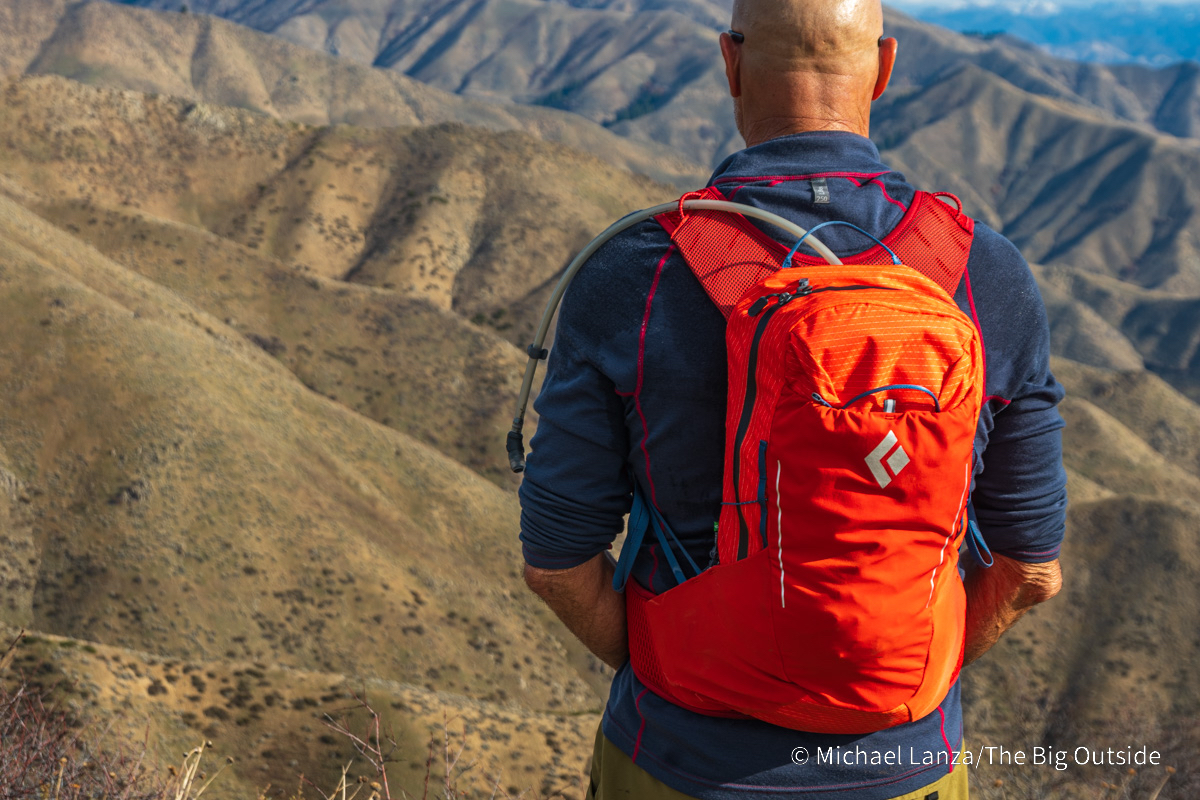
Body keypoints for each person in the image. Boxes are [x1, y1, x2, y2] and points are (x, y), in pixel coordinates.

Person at [518, 0, 1067, 797]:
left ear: (730, 64)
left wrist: (699, 675)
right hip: (908, 767)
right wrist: (889, 678)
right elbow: (1029, 568)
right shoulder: (989, 276)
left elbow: (557, 563)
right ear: (884, 68)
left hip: (675, 766)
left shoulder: (631, 274)